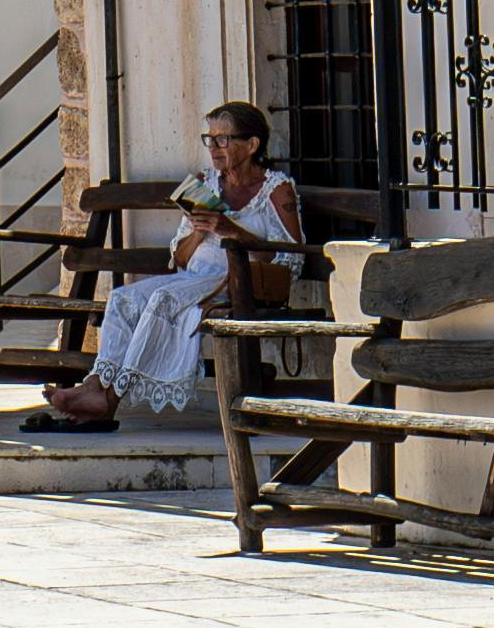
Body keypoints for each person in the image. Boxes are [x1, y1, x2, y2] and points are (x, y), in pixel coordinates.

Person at [43, 104, 306, 430]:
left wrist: (231, 230)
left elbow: (293, 256)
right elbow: (180, 259)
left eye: (222, 140)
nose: (213, 149)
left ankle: (108, 401)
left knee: (163, 299)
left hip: (238, 280)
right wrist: (198, 231)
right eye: (208, 140)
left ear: (252, 145)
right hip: (193, 277)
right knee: (124, 298)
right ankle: (96, 384)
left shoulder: (277, 189)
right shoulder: (201, 183)